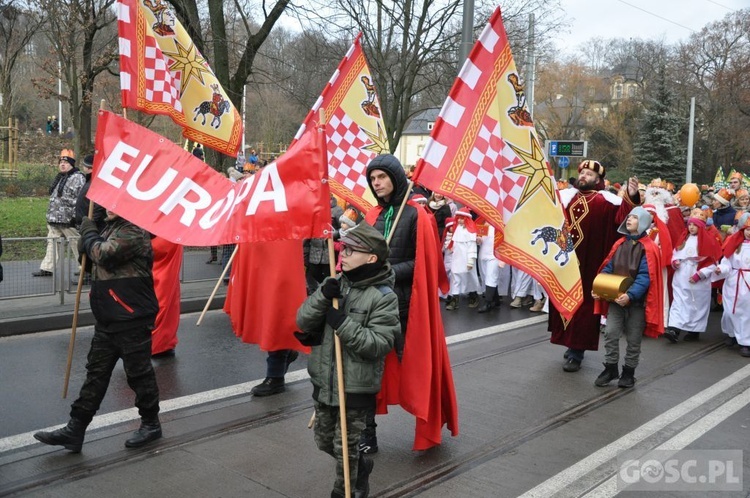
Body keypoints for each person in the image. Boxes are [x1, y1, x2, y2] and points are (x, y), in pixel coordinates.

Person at [33, 210, 161, 452]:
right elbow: (90, 263)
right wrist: (86, 242)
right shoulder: (109, 228)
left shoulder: (134, 229)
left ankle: (151, 424)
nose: (109, 208)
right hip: (108, 316)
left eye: (115, 204)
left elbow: (104, 254)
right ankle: (76, 428)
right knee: (96, 375)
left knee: (139, 375)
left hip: (131, 316)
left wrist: (89, 233)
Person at [296, 221, 399, 498]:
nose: (343, 253)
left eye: (352, 250)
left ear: (372, 258)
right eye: (344, 248)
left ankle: (347, 491)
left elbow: (379, 344)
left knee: (345, 450)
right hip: (325, 382)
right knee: (324, 442)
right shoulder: (334, 282)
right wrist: (322, 296)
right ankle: (362, 467)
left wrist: (342, 323)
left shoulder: (383, 297)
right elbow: (302, 319)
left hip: (355, 387)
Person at [363, 154, 458, 454]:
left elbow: (424, 264)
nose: (377, 183)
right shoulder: (372, 216)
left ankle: (428, 426)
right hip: (372, 307)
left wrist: (388, 273)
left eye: (382, 177)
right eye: (373, 179)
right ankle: (367, 434)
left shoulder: (418, 214)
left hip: (405, 308)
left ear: (395, 177)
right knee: (366, 372)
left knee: (417, 369)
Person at [549, 160, 640, 372]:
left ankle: (576, 352)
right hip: (564, 263)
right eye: (583, 173)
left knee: (584, 308)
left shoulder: (605, 201)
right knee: (564, 304)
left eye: (589, 174)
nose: (584, 176)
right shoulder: (565, 199)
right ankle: (569, 342)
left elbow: (624, 217)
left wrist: (631, 196)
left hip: (590, 265)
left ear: (598, 180)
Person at [592, 207, 664, 388]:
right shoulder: (620, 244)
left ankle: (629, 372)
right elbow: (609, 267)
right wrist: (599, 287)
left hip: (636, 303)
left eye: (634, 217)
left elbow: (646, 276)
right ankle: (610, 368)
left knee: (633, 338)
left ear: (644, 222)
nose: (629, 219)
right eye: (629, 217)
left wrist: (630, 295)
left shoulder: (649, 247)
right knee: (610, 333)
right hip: (616, 300)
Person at [664, 209, 721, 343]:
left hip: (697, 278)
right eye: (690, 224)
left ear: (700, 226)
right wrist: (675, 262)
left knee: (696, 304)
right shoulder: (683, 239)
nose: (691, 227)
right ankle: (674, 329)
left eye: (695, 225)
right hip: (681, 275)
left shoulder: (709, 241)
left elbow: (713, 263)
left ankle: (694, 330)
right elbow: (675, 253)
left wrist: (700, 275)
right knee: (679, 302)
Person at [34, 149, 86, 277]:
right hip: (54, 220)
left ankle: (85, 269)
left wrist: (75, 217)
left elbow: (80, 200)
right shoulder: (59, 178)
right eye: (61, 162)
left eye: (66, 162)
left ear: (72, 164)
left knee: (77, 245)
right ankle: (47, 268)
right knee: (52, 244)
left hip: (69, 221)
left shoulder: (78, 178)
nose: (63, 164)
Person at [715, 213, 750, 357]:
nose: (749, 232)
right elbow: (726, 263)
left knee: (746, 313)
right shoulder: (735, 243)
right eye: (747, 229)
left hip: (747, 283)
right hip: (733, 281)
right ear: (743, 229)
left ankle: (745, 343)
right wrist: (721, 269)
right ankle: (731, 333)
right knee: (730, 311)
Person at [444, 207, 480, 310]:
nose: (459, 220)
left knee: (470, 279)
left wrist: (470, 261)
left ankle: (473, 296)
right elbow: (454, 243)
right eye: (458, 218)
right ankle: (454, 300)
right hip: (457, 259)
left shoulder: (471, 231)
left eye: (462, 218)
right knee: (455, 278)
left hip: (467, 260)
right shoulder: (457, 229)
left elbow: (472, 247)